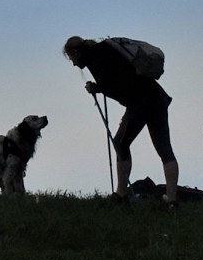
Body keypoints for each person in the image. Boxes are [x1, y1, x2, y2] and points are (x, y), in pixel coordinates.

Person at [63, 36, 179, 205]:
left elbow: (117, 82)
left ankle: (122, 193)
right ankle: (172, 199)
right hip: (157, 98)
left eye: (71, 58)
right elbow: (121, 77)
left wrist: (97, 88)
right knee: (164, 148)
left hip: (140, 102)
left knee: (120, 143)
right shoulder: (105, 50)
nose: (73, 63)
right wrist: (100, 88)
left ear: (75, 52)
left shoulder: (94, 58)